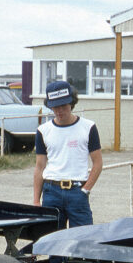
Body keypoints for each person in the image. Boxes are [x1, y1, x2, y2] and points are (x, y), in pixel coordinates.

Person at [32, 81, 102, 229]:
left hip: (78, 191)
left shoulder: (88, 127)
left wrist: (85, 190)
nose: (60, 111)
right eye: (55, 107)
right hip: (51, 192)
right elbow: (39, 167)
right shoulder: (43, 131)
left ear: (72, 103)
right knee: (54, 243)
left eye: (64, 106)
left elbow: (98, 163)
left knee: (82, 241)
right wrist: (36, 201)